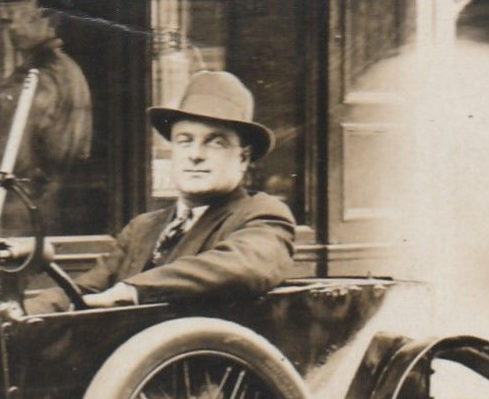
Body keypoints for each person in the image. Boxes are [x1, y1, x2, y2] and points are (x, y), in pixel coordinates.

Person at [32, 70, 295, 312]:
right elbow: (85, 288)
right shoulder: (143, 227)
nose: (195, 155)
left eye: (215, 143)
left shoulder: (261, 215)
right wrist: (22, 314)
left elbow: (244, 267)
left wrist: (131, 291)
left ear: (243, 158)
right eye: (184, 141)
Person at [0, 0, 93, 236]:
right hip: (50, 207)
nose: (10, 26)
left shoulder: (38, 78)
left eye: (20, 15)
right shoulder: (68, 70)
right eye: (7, 17)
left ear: (49, 20)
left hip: (20, 213)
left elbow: (11, 158)